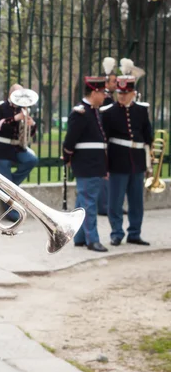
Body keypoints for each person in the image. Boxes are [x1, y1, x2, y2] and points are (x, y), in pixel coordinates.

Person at [101, 74, 152, 246]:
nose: (122, 96)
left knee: (136, 201)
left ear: (133, 93)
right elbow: (104, 141)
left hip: (137, 162)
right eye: (120, 93)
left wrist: (149, 163)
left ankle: (135, 233)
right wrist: (105, 165)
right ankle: (116, 233)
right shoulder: (108, 113)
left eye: (126, 93)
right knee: (115, 201)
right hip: (117, 162)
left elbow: (147, 137)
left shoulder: (141, 110)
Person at [62, 76, 109, 252]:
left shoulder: (94, 111)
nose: (105, 96)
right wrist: (67, 158)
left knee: (83, 204)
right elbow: (69, 141)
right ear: (95, 92)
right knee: (89, 204)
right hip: (86, 165)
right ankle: (92, 240)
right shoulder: (81, 113)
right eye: (103, 92)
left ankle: (80, 237)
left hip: (94, 164)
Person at [0, 83, 38, 221]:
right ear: (11, 94)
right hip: (1, 149)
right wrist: (15, 119)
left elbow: (30, 133)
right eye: (19, 94)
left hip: (17, 148)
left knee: (31, 160)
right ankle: (12, 213)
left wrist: (32, 124)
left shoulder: (24, 109)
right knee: (7, 182)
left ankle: (7, 188)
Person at [98, 57, 118, 215]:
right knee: (105, 173)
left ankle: (109, 204)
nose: (116, 84)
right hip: (105, 139)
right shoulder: (104, 98)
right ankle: (104, 205)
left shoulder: (110, 97)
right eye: (113, 82)